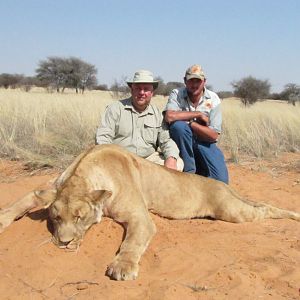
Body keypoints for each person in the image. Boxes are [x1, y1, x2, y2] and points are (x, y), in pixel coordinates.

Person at [96, 69, 183, 171]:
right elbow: (103, 138)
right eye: (138, 88)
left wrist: (171, 158)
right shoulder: (115, 109)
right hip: (120, 160)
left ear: (152, 92)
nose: (142, 92)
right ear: (132, 90)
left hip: (148, 160)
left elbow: (166, 140)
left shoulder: (157, 114)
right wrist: (111, 159)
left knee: (178, 163)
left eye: (146, 89)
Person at [164, 64, 228, 183]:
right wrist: (197, 114)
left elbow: (214, 135)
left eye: (197, 81)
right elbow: (169, 116)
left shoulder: (213, 99)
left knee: (221, 181)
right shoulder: (176, 93)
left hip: (204, 142)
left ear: (204, 82)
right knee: (179, 127)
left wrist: (192, 125)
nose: (194, 85)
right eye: (191, 81)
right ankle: (189, 171)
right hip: (181, 141)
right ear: (185, 81)